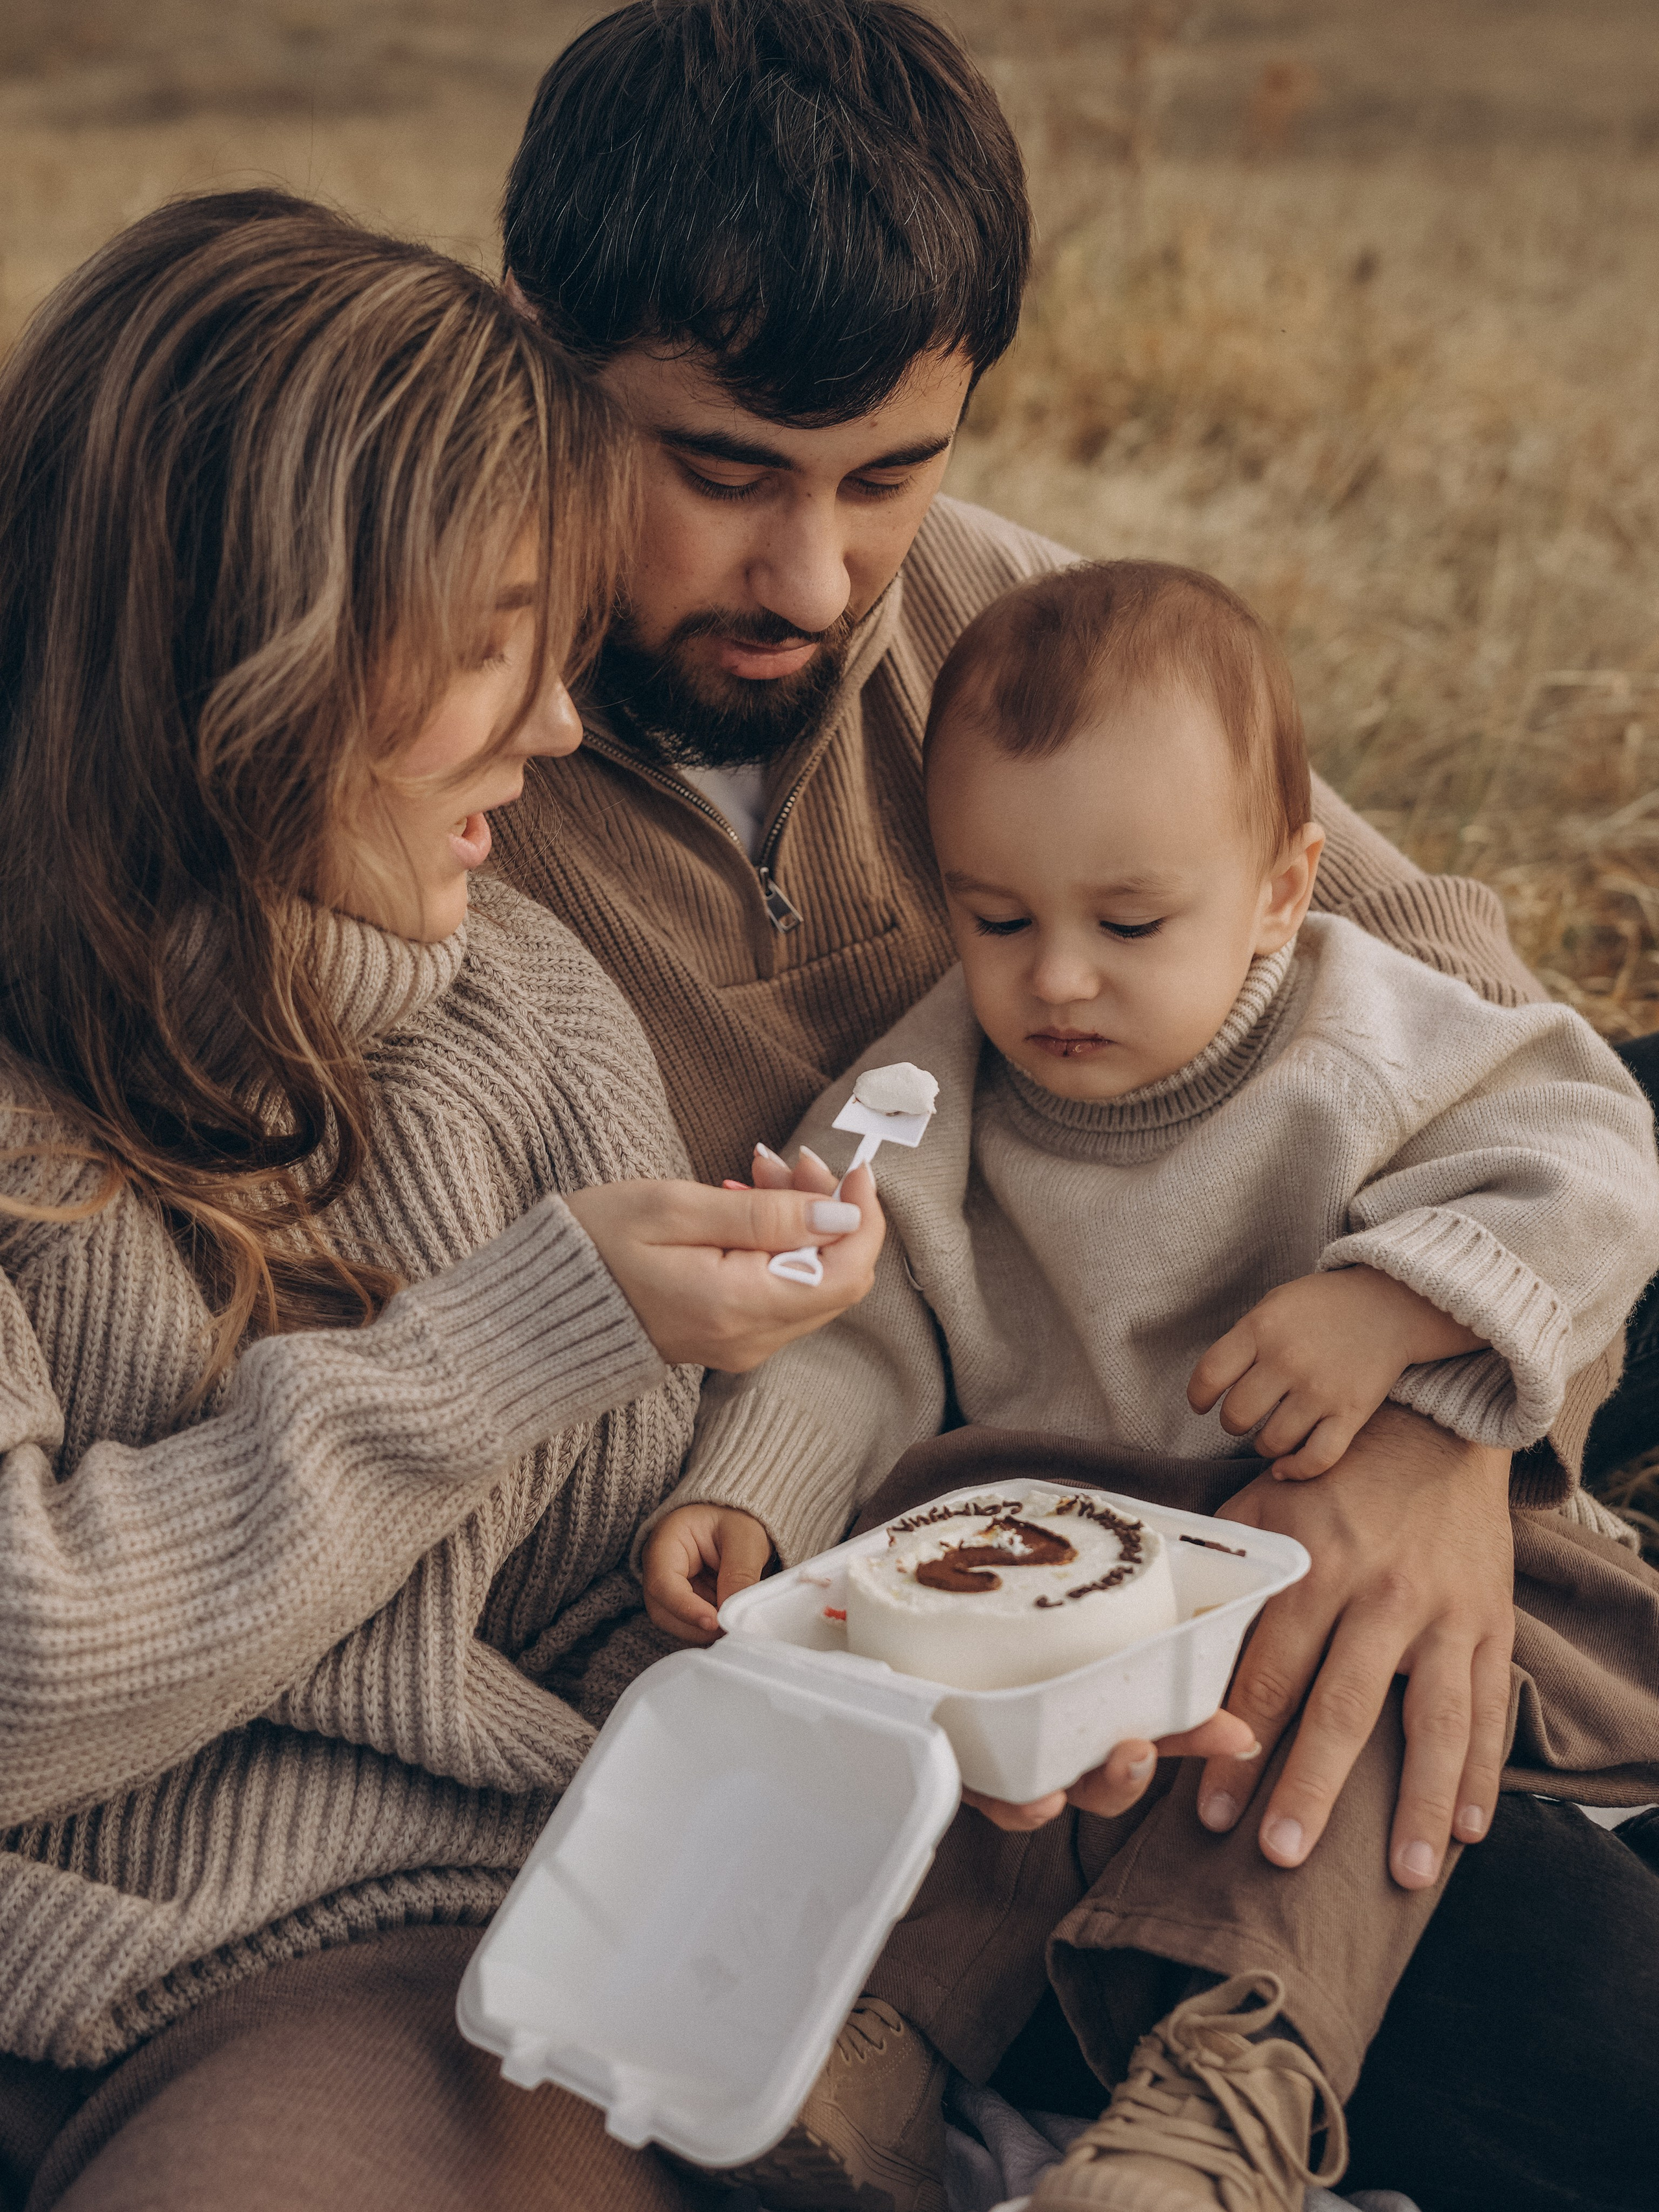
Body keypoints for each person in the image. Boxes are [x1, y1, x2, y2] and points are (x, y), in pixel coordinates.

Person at [490, 5, 1659, 2206]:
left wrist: (1430, 1424)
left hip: (1313, 1345)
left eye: (890, 470)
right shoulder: (445, 734)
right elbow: (780, 1331)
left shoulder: (990, 601)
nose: (820, 582)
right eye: (723, 469)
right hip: (993, 1600)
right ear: (537, 357)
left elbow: (1458, 991)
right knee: (1593, 2041)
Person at [0, 188, 896, 2212]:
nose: (562, 723)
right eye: (495, 643)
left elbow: (613, 1606)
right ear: (249, 642)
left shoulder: (518, 1007)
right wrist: (504, 1342)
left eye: (557, 640)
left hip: (369, 1952)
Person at [640, 559, 1659, 2210]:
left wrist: (1397, 1307)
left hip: (1304, 1559)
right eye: (996, 919)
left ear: (1277, 887)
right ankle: (878, 2044)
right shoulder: (918, 1093)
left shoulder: (1364, 1029)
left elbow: (1592, 1151)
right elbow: (852, 1314)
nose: (1053, 981)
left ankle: (1229, 2093)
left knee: (1326, 1754)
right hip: (1059, 1584)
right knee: (904, 1687)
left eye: (1127, 924)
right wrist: (749, 1485)